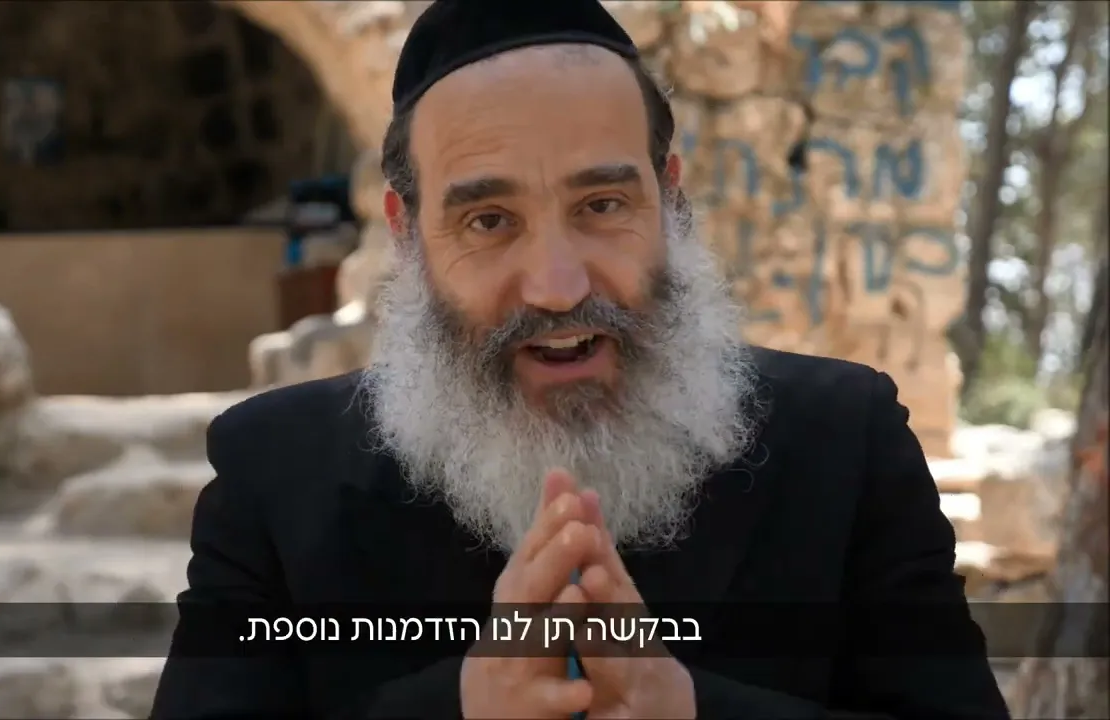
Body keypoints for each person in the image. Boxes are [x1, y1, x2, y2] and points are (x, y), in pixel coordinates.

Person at [150, 1, 1010, 718]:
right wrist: (460, 704)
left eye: (601, 204)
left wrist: (687, 707)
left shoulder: (846, 442)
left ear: (669, 198)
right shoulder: (275, 474)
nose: (557, 287)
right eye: (489, 221)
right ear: (407, 235)